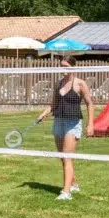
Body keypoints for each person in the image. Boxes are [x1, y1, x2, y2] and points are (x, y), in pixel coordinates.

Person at [37, 58, 94, 201]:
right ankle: (73, 184)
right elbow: (53, 104)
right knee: (63, 157)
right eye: (61, 66)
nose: (63, 69)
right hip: (59, 121)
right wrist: (44, 113)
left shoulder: (80, 84)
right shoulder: (58, 84)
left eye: (66, 66)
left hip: (72, 122)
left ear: (73, 67)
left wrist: (90, 124)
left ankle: (66, 192)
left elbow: (89, 103)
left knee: (67, 157)